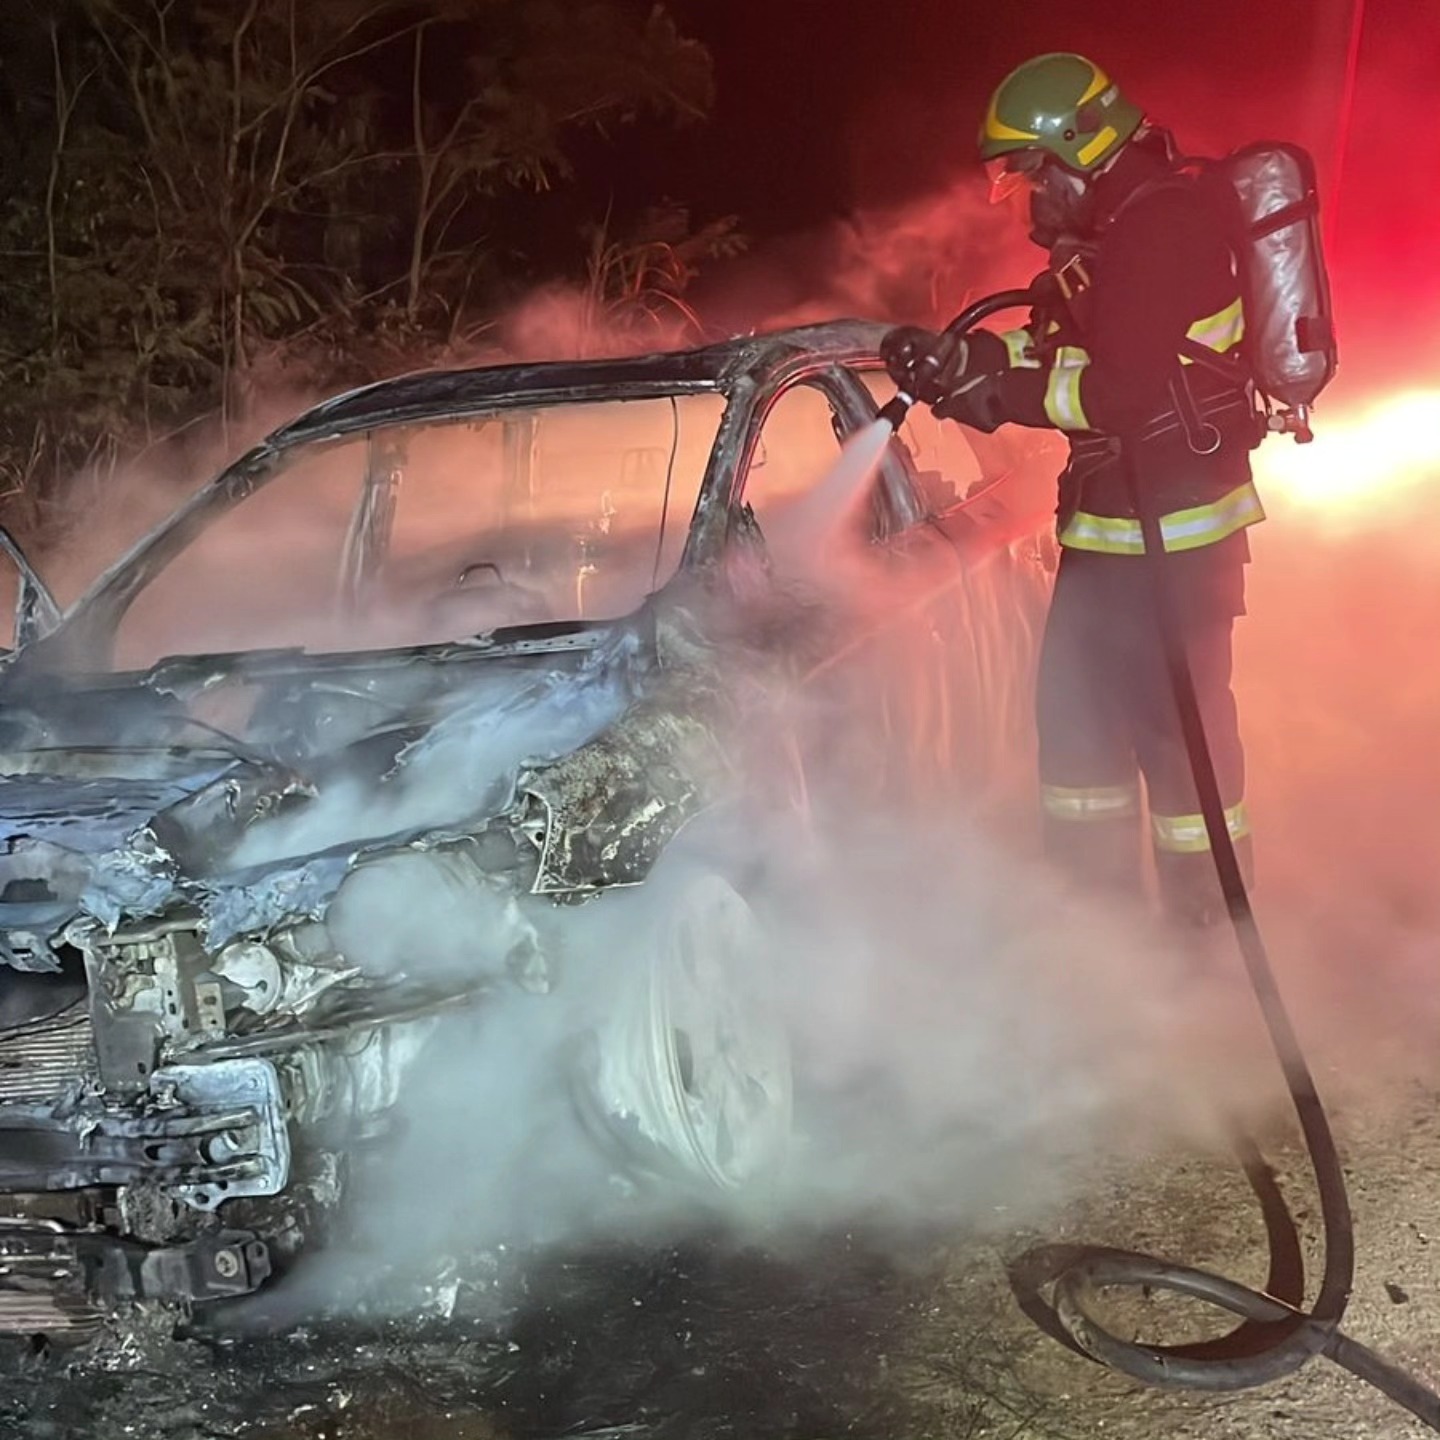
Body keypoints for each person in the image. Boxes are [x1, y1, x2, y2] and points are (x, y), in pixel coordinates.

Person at [882, 52, 1263, 925]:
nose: (1023, 200)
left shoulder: (1161, 229)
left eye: (1026, 176)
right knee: (1080, 742)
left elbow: (1119, 393)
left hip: (1173, 540)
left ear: (1075, 152)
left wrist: (1000, 393)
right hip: (1116, 533)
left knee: (1181, 751)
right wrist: (966, 363)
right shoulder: (1114, 234)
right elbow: (1063, 350)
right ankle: (1096, 935)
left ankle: (1204, 941)